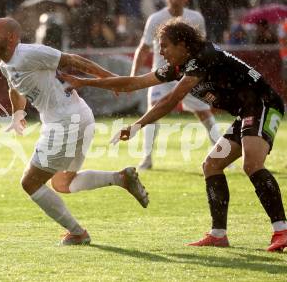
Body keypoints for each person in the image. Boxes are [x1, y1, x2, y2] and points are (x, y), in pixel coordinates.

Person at [60, 19, 287, 252]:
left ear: (182, 44)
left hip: (263, 105)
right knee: (212, 165)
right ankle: (218, 235)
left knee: (252, 164)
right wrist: (85, 82)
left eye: (165, 45)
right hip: (245, 113)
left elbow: (170, 100)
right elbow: (133, 83)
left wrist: (137, 126)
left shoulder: (202, 57)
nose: (161, 51)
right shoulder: (178, 66)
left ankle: (282, 230)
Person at [0, 17, 149, 246]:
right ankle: (120, 178)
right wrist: (17, 113)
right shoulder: (6, 64)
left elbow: (74, 60)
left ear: (11, 37)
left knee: (30, 183)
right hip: (80, 117)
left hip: (64, 123)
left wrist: (112, 80)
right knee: (63, 183)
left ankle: (77, 233)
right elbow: (15, 88)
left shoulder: (29, 53)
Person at [130, 0, 221, 170]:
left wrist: (203, 73)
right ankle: (147, 159)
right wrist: (134, 77)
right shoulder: (156, 18)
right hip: (162, 75)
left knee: (203, 112)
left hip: (188, 75)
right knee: (154, 109)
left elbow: (201, 48)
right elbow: (144, 47)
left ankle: (221, 152)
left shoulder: (196, 18)